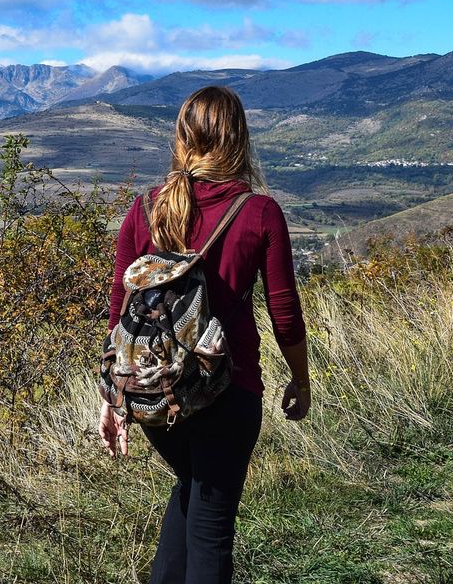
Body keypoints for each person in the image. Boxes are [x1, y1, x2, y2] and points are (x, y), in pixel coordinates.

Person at [99, 85, 309, 584]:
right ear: (239, 138)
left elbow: (120, 306)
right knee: (211, 535)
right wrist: (301, 380)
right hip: (226, 391)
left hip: (154, 393)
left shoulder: (146, 207)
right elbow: (284, 313)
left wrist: (111, 396)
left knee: (191, 496)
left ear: (181, 137)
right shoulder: (258, 212)